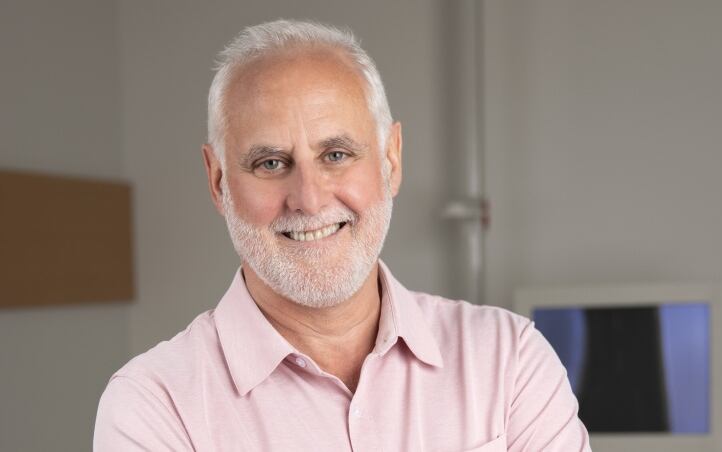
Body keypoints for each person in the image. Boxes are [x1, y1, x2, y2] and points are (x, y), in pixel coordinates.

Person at [94, 20, 591, 451]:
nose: (308, 199)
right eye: (271, 163)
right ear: (218, 181)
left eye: (335, 155)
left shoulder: (509, 359)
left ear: (391, 159)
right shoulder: (154, 405)